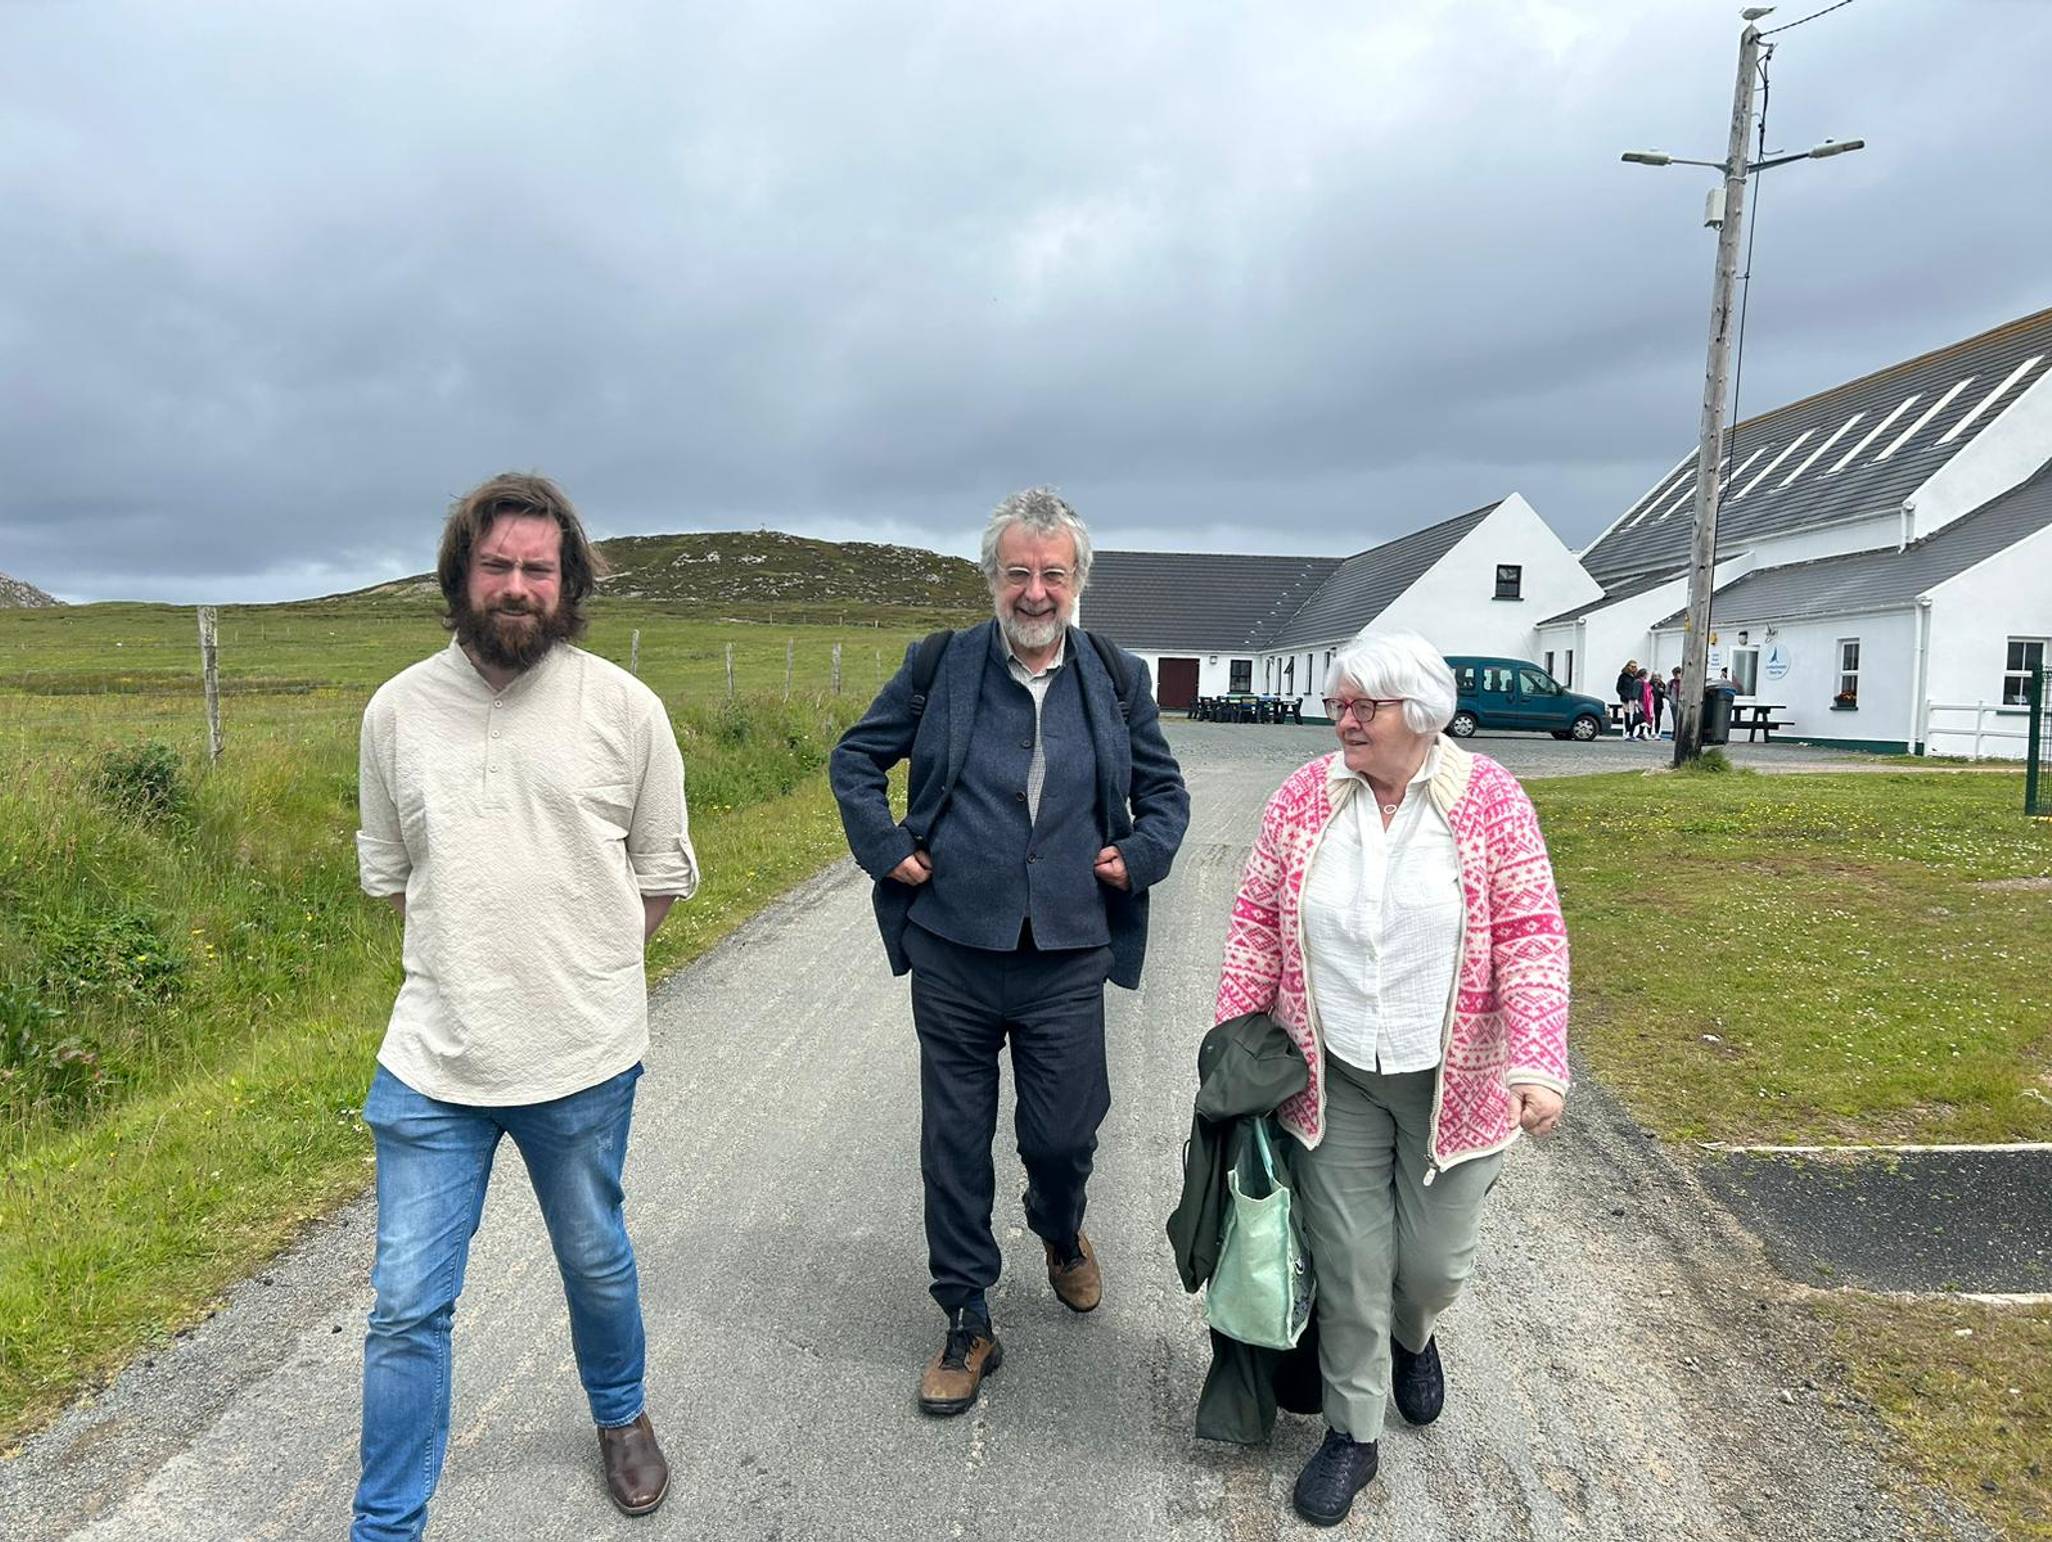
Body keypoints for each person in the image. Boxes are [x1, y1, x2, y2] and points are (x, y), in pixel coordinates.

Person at [352, 473, 699, 1539]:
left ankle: (619, 1411)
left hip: (583, 1060)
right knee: (407, 1306)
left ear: (569, 582)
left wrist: (583, 976)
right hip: (433, 1064)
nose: (515, 586)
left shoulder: (625, 711)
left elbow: (660, 874)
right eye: (496, 566)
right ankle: (385, 1525)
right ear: (461, 575)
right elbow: (397, 870)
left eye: (536, 569)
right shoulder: (397, 711)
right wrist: (478, 965)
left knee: (594, 1254)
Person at [830, 486, 1190, 1416]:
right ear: (992, 577)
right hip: (953, 942)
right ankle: (966, 1316)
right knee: (953, 1141)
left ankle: (1060, 1227)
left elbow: (1166, 794)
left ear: (1078, 583)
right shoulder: (940, 665)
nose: (1036, 591)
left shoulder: (1115, 676)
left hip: (1067, 948)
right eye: (1019, 572)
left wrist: (1139, 854)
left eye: (1053, 574)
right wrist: (887, 848)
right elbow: (855, 761)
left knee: (1064, 1132)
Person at [1213, 630, 1569, 1528]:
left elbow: (1531, 933)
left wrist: (1537, 1061)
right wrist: (1232, 1036)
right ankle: (1351, 1434)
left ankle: (1418, 1335)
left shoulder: (1489, 799)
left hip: (1459, 1077)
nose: (1342, 721)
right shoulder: (1305, 796)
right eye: (1337, 705)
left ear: (1418, 714)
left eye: (1359, 707)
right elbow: (1257, 916)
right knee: (1350, 1263)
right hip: (1332, 1077)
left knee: (1431, 1264)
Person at [1615, 659, 1641, 738]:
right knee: (1627, 715)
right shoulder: (1623, 676)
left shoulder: (1636, 677)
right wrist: (1626, 695)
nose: (1633, 668)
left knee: (1636, 715)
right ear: (1628, 666)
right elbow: (1619, 688)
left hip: (1634, 699)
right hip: (1626, 699)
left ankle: (1635, 731)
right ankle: (1628, 730)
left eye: (1635, 667)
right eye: (1632, 666)